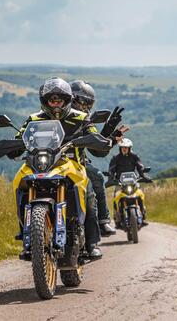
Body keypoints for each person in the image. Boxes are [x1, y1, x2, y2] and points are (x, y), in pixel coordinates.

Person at [13, 76, 114, 259]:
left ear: (68, 100)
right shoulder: (34, 119)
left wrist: (99, 139)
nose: (56, 103)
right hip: (40, 164)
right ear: (45, 101)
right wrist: (11, 146)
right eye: (52, 99)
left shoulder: (81, 118)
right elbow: (19, 137)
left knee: (89, 194)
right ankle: (27, 235)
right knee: (19, 182)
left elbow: (93, 134)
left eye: (60, 99)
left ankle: (92, 243)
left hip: (72, 164)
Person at [70, 80, 129, 237]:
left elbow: (98, 151)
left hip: (76, 163)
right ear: (71, 99)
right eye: (83, 102)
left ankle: (103, 222)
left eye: (89, 104)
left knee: (96, 176)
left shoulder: (85, 121)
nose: (86, 107)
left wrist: (110, 130)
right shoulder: (51, 115)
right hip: (50, 161)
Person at [108, 138, 152, 225]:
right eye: (123, 147)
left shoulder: (135, 157)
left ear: (129, 148)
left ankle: (143, 216)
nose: (124, 149)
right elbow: (111, 170)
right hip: (120, 183)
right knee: (115, 198)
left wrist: (143, 175)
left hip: (133, 181)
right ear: (120, 148)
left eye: (126, 147)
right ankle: (117, 217)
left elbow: (140, 167)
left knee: (141, 195)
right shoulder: (115, 158)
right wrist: (111, 179)